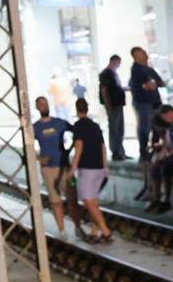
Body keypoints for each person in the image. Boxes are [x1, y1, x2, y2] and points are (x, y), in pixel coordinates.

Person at [68, 97, 113, 243]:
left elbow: (79, 146)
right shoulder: (95, 126)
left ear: (77, 109)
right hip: (99, 167)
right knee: (93, 201)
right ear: (87, 109)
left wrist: (72, 168)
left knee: (88, 201)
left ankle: (105, 231)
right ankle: (95, 231)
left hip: (86, 168)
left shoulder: (78, 126)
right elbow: (102, 147)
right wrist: (105, 166)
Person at [30, 95, 72, 237]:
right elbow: (27, 147)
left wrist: (69, 151)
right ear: (37, 108)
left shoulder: (59, 123)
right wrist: (39, 158)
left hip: (63, 166)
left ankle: (78, 225)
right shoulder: (35, 128)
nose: (44, 106)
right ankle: (62, 229)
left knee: (72, 197)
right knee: (55, 200)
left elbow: (77, 134)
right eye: (41, 105)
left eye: (45, 104)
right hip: (48, 169)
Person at [128, 46, 165, 162]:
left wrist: (154, 83)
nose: (145, 54)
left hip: (155, 102)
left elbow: (160, 82)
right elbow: (145, 84)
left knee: (157, 126)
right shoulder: (136, 70)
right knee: (145, 126)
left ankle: (153, 148)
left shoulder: (149, 69)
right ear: (136, 56)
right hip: (143, 102)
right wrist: (149, 85)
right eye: (141, 53)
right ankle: (144, 152)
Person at [98, 54, 130, 162]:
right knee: (115, 128)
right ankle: (116, 151)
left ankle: (120, 151)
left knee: (119, 128)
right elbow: (104, 90)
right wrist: (108, 104)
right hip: (113, 104)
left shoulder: (113, 74)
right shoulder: (106, 74)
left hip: (117, 103)